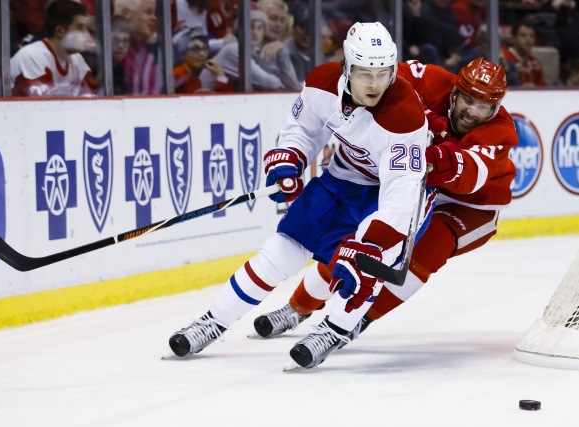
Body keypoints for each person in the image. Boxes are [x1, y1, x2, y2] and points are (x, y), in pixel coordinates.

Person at [168, 22, 430, 365]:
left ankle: (333, 329)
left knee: (363, 268)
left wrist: (376, 242)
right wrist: (289, 160)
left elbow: (401, 192)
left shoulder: (404, 115)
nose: (375, 83)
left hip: (383, 199)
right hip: (338, 180)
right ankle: (212, 321)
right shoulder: (322, 83)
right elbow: (303, 131)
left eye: (383, 73)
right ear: (347, 67)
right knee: (279, 253)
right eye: (365, 73)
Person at [253, 57, 518, 369]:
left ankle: (354, 321)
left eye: (484, 108)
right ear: (456, 92)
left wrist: (426, 158)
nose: (473, 113)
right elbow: (384, 80)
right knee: (360, 240)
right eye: (469, 101)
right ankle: (298, 307)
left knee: (426, 252)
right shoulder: (430, 79)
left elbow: (470, 173)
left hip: (471, 206)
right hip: (420, 184)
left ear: (496, 108)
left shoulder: (501, 131)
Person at [10, 0, 96, 97]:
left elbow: (92, 98)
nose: (87, 35)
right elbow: (42, 106)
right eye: (80, 28)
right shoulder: (32, 57)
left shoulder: (77, 60)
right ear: (60, 32)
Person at [115, 0, 158, 95]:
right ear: (126, 14)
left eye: (155, 13)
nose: (154, 18)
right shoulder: (115, 52)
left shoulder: (148, 51)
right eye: (148, 12)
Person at [501, 20, 547, 86]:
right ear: (514, 38)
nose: (528, 39)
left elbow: (543, 89)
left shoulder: (536, 63)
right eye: (523, 35)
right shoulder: (504, 59)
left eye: (531, 36)